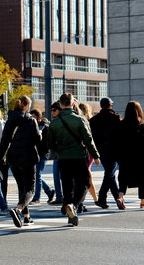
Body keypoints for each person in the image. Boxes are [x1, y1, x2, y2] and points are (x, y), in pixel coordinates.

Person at [48, 93, 100, 227]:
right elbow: (89, 140)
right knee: (84, 182)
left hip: (63, 158)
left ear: (60, 104)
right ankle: (74, 205)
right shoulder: (80, 119)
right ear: (72, 103)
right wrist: (95, 156)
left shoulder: (54, 122)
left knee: (67, 185)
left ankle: (69, 210)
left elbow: (50, 143)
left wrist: (59, 150)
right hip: (79, 156)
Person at [0, 95, 40, 228]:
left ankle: (27, 217)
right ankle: (19, 209)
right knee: (30, 189)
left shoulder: (10, 121)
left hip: (13, 158)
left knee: (22, 186)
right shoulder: (31, 121)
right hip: (28, 157)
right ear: (27, 106)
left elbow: (4, 141)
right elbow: (37, 140)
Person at [89, 97, 121, 209]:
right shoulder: (116, 118)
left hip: (100, 151)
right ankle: (104, 197)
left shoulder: (93, 120)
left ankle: (116, 197)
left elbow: (91, 137)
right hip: (114, 150)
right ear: (110, 105)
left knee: (109, 173)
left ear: (101, 106)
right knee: (110, 174)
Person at [115, 101, 144, 209]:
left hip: (124, 156)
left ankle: (120, 196)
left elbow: (117, 141)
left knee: (123, 177)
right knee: (142, 178)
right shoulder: (142, 125)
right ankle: (143, 201)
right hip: (139, 156)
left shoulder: (121, 125)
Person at [30, 109, 55, 205]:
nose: (32, 119)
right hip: (34, 154)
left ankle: (37, 198)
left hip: (43, 154)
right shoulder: (32, 126)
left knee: (37, 175)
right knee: (36, 176)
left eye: (34, 117)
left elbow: (46, 143)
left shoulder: (45, 127)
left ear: (39, 117)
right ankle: (49, 191)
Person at [78, 102, 98, 212]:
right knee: (87, 176)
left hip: (78, 151)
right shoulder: (89, 121)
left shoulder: (77, 121)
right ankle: (94, 199)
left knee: (84, 176)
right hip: (88, 151)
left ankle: (83, 201)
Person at [48, 102, 63, 205]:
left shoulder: (60, 121)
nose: (52, 112)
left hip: (64, 153)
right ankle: (59, 197)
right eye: (51, 110)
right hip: (57, 153)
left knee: (63, 176)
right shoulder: (54, 122)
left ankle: (65, 197)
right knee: (56, 176)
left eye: (54, 110)